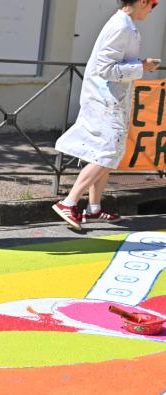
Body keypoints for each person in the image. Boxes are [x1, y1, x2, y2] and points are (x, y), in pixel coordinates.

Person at [52, 0, 160, 230]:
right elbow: (106, 68)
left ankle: (93, 209)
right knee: (108, 152)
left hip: (108, 98)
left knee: (104, 153)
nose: (153, 9)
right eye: (154, 4)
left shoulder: (124, 23)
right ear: (142, 2)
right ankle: (69, 202)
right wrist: (143, 66)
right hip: (105, 100)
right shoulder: (121, 26)